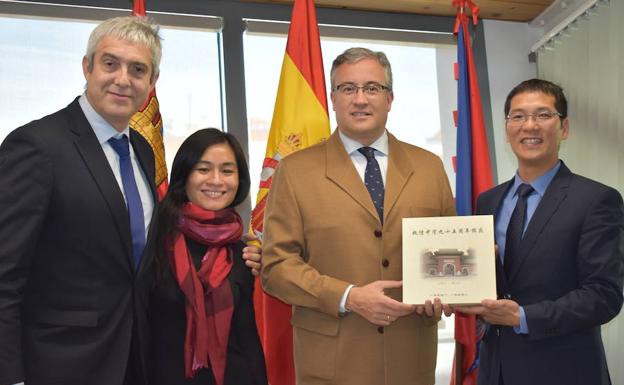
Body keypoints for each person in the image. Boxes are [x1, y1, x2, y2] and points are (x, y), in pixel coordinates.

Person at [261, 47, 455, 385]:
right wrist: (348, 296)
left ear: (390, 98)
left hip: (410, 358)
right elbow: (276, 267)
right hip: (333, 363)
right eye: (348, 88)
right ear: (333, 99)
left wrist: (451, 286)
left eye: (372, 88)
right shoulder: (295, 171)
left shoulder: (429, 167)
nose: (360, 99)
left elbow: (446, 253)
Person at [0, 16, 161, 385]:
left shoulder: (141, 150)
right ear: (87, 67)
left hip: (133, 359)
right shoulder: (37, 146)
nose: (123, 79)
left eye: (138, 69)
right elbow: (4, 275)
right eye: (110, 63)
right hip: (58, 363)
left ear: (151, 83)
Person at [456, 79, 624, 385]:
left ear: (565, 128)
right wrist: (453, 292)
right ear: (507, 130)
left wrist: (522, 317)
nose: (529, 126)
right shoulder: (488, 201)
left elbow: (604, 295)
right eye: (518, 117)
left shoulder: (596, 200)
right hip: (497, 371)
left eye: (543, 115)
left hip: (565, 371)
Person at [150, 128, 267, 385]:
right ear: (184, 175)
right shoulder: (154, 242)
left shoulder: (243, 252)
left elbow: (247, 337)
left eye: (227, 171)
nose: (216, 181)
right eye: (203, 170)